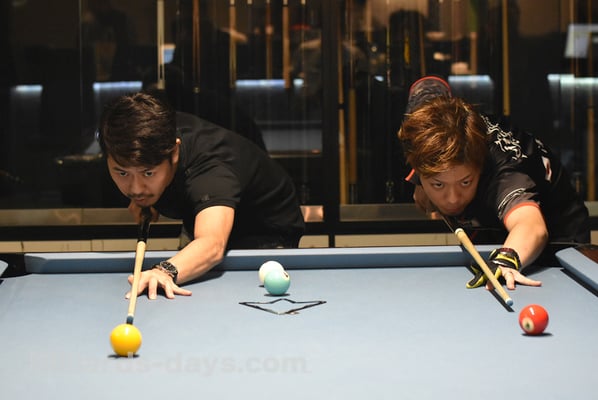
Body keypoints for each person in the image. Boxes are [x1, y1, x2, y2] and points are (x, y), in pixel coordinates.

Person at [97, 91, 305, 299]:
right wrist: (145, 198)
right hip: (203, 218)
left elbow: (212, 244)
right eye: (122, 173)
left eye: (148, 173)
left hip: (263, 231)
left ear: (174, 153)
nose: (135, 188)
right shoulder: (147, 131)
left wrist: (163, 271)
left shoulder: (211, 171)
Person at [398, 76, 590, 291]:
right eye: (439, 184)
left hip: (558, 240)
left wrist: (506, 259)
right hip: (492, 227)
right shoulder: (425, 127)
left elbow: (531, 225)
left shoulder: (505, 175)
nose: (452, 199)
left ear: (480, 167)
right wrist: (420, 179)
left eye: (465, 182)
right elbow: (428, 89)